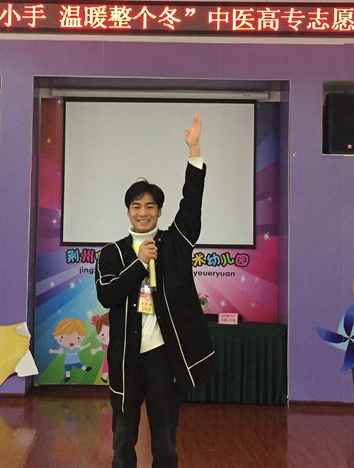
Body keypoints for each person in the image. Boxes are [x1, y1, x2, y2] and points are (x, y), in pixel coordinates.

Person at [95, 113, 216, 468]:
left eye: (150, 206)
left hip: (163, 357)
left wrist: (194, 151)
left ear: (159, 211)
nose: (143, 212)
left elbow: (191, 204)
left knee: (164, 440)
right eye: (136, 206)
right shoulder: (112, 253)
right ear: (128, 212)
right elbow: (107, 295)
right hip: (126, 358)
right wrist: (139, 262)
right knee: (123, 439)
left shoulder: (174, 243)